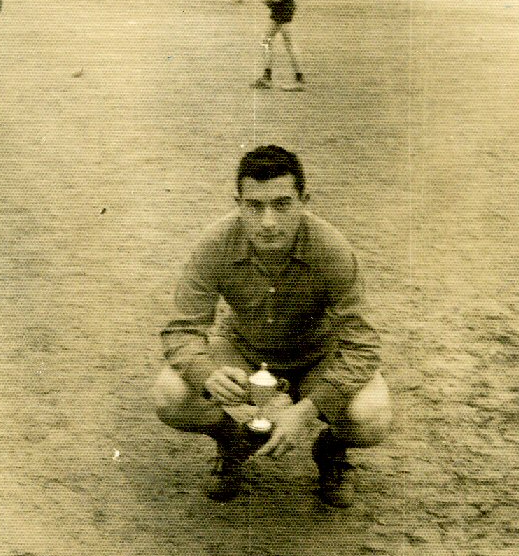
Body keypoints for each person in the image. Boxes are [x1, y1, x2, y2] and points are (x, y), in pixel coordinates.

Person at [155, 146, 392, 507]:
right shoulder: (214, 244)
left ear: (303, 202)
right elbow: (181, 329)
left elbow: (363, 345)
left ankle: (331, 450)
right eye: (254, 206)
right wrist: (208, 375)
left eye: (282, 205)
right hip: (244, 355)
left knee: (371, 416)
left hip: (317, 359)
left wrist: (307, 411)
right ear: (238, 204)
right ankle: (232, 441)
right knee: (170, 394)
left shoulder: (332, 250)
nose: (268, 221)